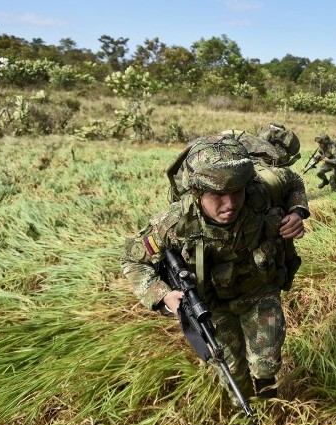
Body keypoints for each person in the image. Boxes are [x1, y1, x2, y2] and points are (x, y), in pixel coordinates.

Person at [121, 133, 310, 404]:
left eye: (236, 192)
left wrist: (297, 211)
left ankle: (268, 396)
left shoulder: (262, 189)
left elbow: (293, 180)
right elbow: (132, 259)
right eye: (217, 195)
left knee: (266, 363)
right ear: (197, 191)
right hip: (214, 306)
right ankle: (245, 412)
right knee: (231, 370)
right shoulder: (174, 224)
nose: (230, 204)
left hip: (259, 291)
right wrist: (163, 295)